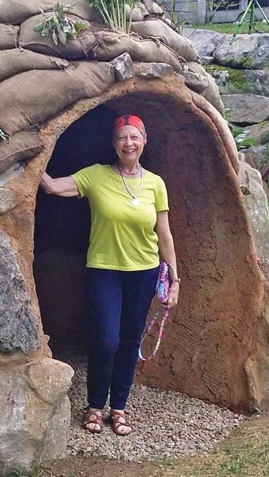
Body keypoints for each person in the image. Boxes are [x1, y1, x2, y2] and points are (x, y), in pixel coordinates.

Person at [39, 114, 179, 436]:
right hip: (104, 269)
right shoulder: (96, 176)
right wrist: (33, 156)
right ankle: (94, 405)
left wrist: (174, 278)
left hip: (144, 271)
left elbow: (165, 234)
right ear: (113, 144)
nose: (128, 143)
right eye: (122, 138)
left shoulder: (155, 183)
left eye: (134, 137)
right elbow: (52, 187)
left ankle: (119, 408)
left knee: (129, 342)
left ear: (144, 141)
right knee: (105, 340)